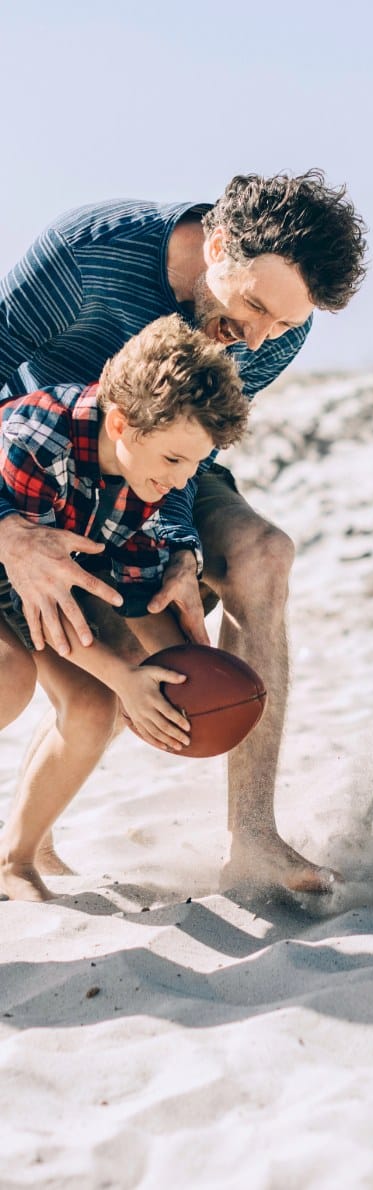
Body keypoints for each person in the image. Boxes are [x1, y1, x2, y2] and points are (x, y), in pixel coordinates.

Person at [0, 173, 367, 894]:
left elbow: (201, 450)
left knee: (264, 555)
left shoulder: (275, 328)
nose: (258, 338)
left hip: (158, 474)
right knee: (82, 692)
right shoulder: (90, 253)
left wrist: (181, 545)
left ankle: (254, 839)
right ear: (219, 246)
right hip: (32, 467)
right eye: (254, 306)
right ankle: (23, 848)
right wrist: (9, 528)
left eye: (284, 326)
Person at [0, 317, 250, 901]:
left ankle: (15, 860)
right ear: (122, 423)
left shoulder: (142, 482)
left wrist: (181, 673)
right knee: (10, 678)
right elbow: (40, 599)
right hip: (17, 567)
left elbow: (131, 594)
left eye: (195, 465)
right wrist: (124, 676)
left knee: (92, 706)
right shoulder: (39, 440)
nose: (181, 479)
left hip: (34, 582)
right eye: (173, 460)